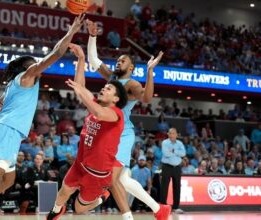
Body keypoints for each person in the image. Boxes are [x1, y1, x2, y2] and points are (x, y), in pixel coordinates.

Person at [0, 14, 84, 220]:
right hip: (8, 129)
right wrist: (71, 31)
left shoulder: (13, 85)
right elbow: (56, 53)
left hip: (6, 128)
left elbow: (4, 104)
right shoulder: (27, 76)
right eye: (34, 63)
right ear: (27, 67)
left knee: (7, 180)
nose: (38, 65)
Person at [87, 19, 170, 220]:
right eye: (118, 59)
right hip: (107, 133)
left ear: (131, 67)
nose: (118, 61)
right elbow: (93, 59)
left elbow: (147, 98)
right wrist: (92, 36)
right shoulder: (111, 79)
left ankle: (122, 211)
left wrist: (150, 72)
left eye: (123, 60)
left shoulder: (132, 84)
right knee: (123, 179)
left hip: (123, 134)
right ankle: (160, 210)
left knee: (113, 178)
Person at [47, 43, 128, 219]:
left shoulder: (116, 114)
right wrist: (81, 59)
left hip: (97, 173)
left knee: (78, 209)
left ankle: (102, 198)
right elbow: (81, 87)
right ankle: (56, 210)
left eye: (108, 89)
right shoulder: (96, 105)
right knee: (64, 191)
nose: (103, 88)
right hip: (80, 163)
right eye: (104, 87)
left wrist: (80, 91)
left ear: (116, 98)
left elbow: (97, 111)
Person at [160, 128, 186, 214]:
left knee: (177, 187)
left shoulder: (180, 143)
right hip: (167, 166)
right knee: (164, 187)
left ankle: (176, 207)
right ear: (168, 134)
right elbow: (166, 154)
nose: (172, 135)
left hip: (177, 167)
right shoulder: (165, 143)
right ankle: (163, 206)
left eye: (173, 133)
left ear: (176, 135)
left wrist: (173, 150)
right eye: (170, 133)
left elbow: (183, 153)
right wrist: (177, 153)